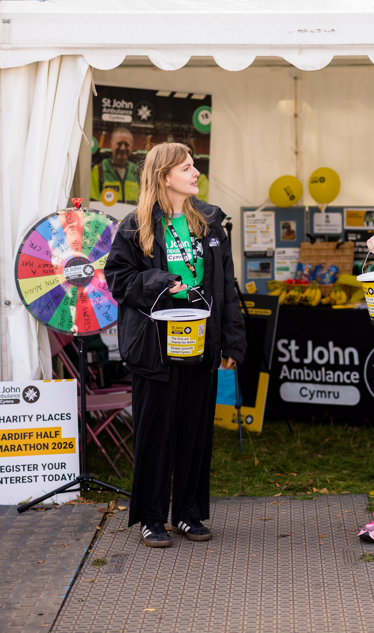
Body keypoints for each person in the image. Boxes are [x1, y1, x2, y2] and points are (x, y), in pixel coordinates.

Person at [104, 142, 246, 548]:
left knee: (194, 432)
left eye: (194, 166)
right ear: (165, 175)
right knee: (155, 434)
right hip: (155, 346)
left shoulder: (210, 222)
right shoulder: (135, 226)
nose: (195, 172)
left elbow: (226, 289)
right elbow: (120, 283)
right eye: (186, 168)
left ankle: (187, 513)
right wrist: (160, 282)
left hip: (201, 344)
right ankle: (151, 518)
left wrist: (233, 344)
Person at [90, 127, 140, 204]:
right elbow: (92, 202)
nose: (123, 148)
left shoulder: (139, 172)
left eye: (126, 144)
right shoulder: (98, 170)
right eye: (119, 144)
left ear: (131, 147)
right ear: (111, 145)